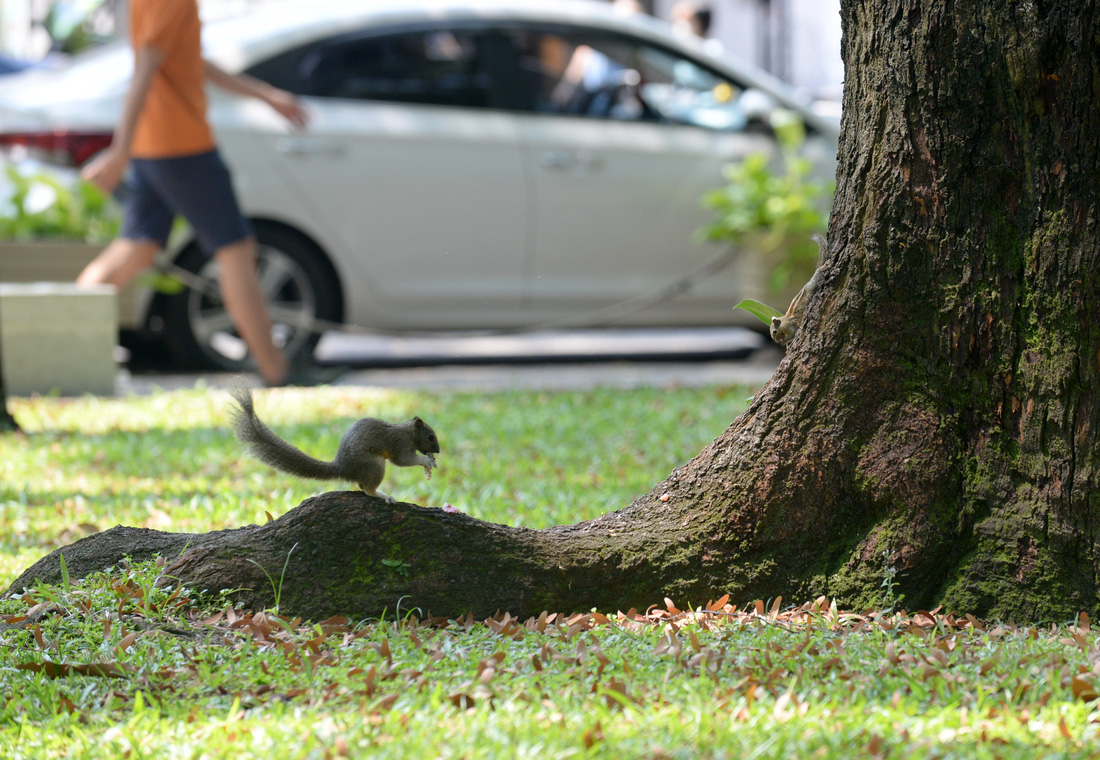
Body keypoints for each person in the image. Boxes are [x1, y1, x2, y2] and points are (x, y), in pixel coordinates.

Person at [77, 0, 329, 386]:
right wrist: (119, 149)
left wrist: (264, 95)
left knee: (137, 248)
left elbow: (187, 60)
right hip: (182, 148)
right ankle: (276, 369)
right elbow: (146, 65)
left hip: (155, 144)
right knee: (235, 249)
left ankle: (54, 327)